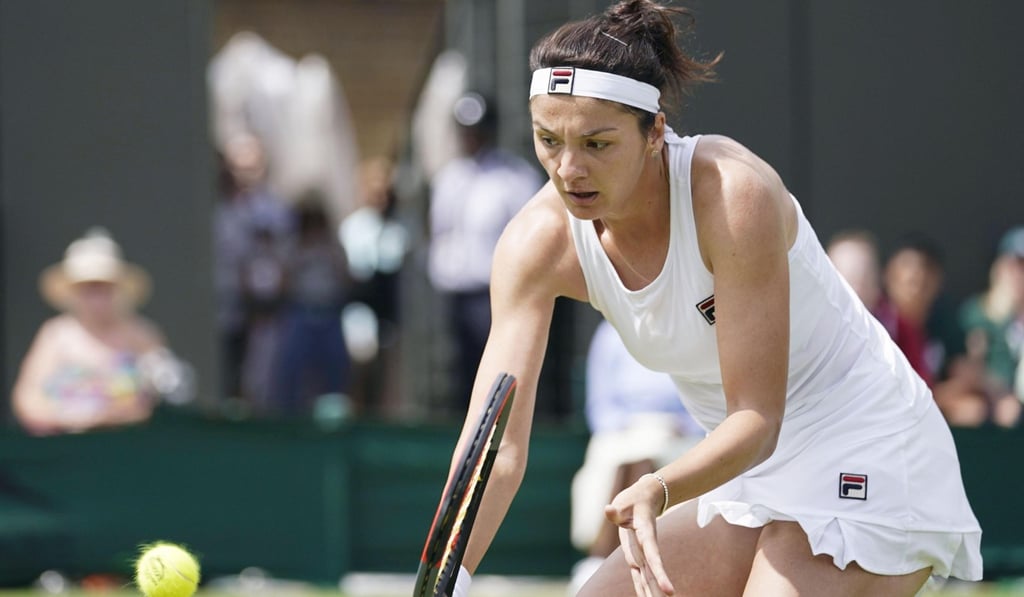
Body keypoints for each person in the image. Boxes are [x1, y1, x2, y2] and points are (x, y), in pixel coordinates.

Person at [441, 2, 982, 596]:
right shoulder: (534, 244)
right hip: (749, 474)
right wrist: (452, 576)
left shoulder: (731, 196)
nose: (569, 169)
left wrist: (660, 486)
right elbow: (495, 448)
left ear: (654, 131)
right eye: (549, 140)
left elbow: (757, 417)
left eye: (597, 143)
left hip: (866, 447)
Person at [569, 319, 703, 595]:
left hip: (678, 432)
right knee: (628, 456)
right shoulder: (609, 334)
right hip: (623, 430)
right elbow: (601, 405)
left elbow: (706, 398)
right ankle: (602, 557)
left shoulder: (692, 327)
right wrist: (624, 426)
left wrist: (685, 426)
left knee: (644, 455)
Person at [427, 91, 542, 411]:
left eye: (476, 131)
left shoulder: (515, 177)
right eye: (464, 131)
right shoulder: (449, 177)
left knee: (499, 368)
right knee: (460, 372)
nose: (470, 139)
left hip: (497, 291)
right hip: (457, 291)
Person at [11, 229, 189, 435]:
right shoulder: (55, 335)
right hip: (70, 449)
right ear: (73, 292)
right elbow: (27, 400)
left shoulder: (142, 334)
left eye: (103, 287)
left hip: (131, 448)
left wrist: (124, 412)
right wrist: (80, 418)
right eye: (88, 289)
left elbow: (167, 394)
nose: (96, 298)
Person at [956, 226, 1024, 428]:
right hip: (990, 417)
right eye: (1017, 264)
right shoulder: (976, 314)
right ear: (1000, 267)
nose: (1019, 274)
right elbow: (967, 369)